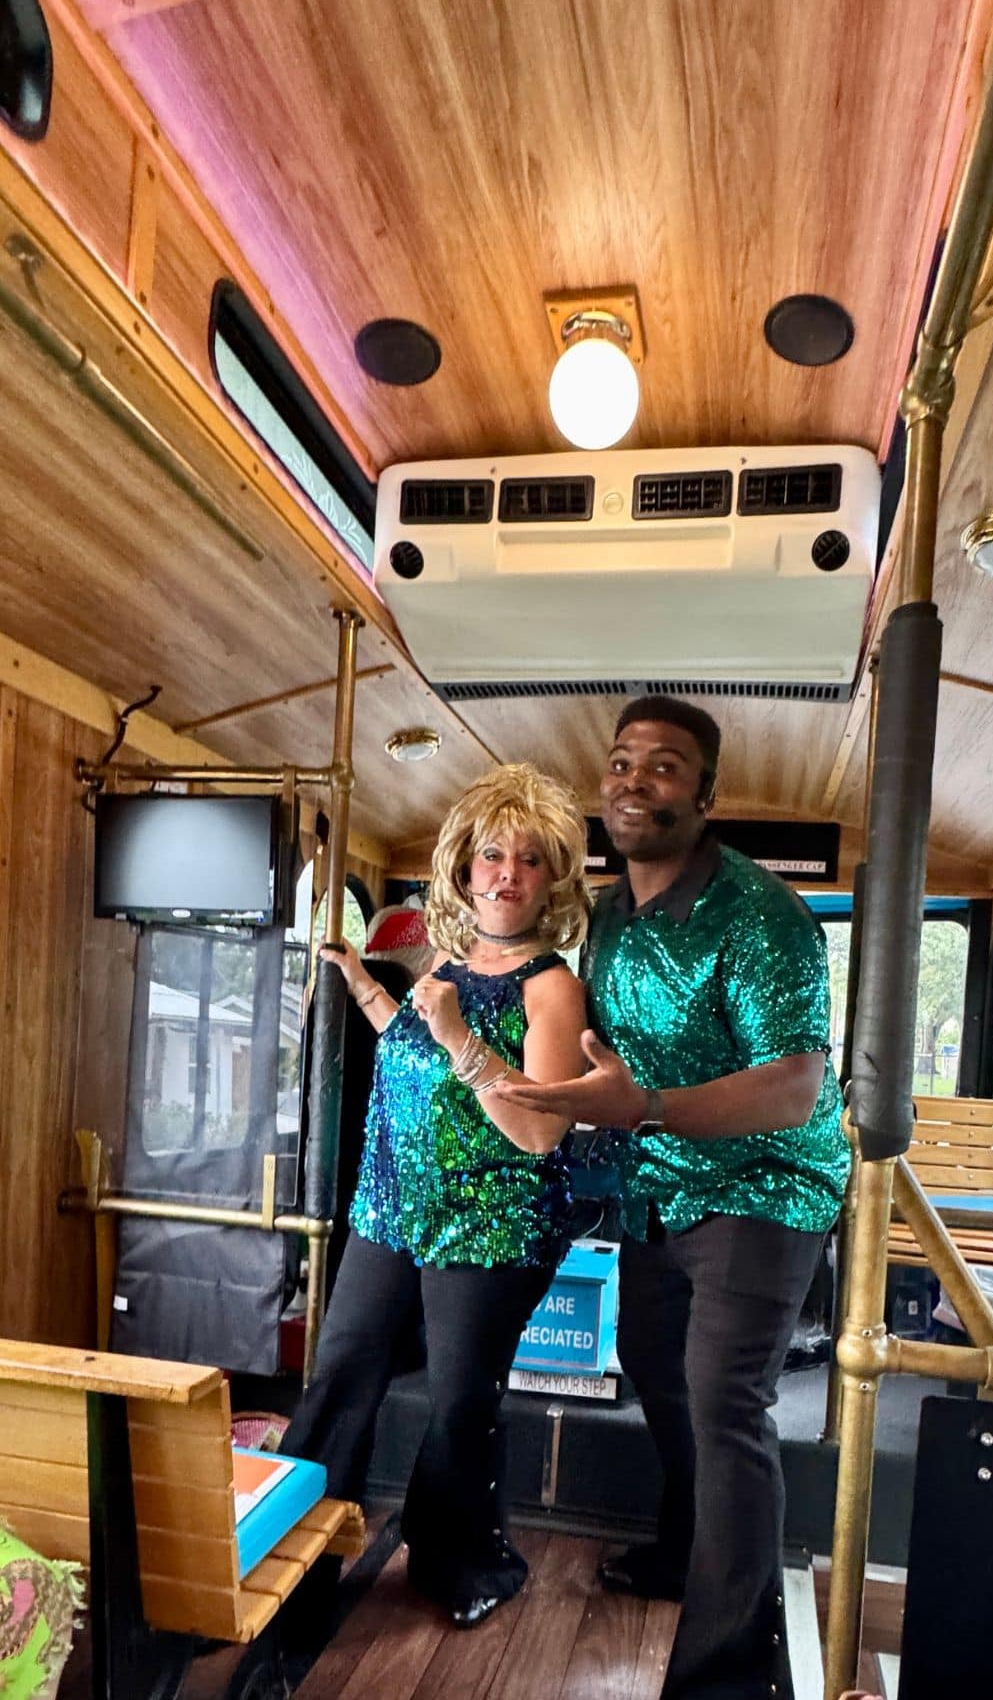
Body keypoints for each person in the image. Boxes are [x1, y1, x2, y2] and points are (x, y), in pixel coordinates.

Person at [496, 697, 849, 1698]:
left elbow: (795, 1086)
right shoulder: (606, 915)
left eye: (663, 765)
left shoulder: (761, 916)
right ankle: (685, 1559)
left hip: (766, 1185)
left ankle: (727, 1675)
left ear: (704, 793)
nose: (634, 779)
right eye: (620, 762)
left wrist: (643, 1103)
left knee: (726, 1403)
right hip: (660, 1183)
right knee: (662, 1376)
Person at [281, 763, 590, 1630]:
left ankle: (463, 1555)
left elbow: (539, 1130)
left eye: (530, 860)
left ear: (552, 879)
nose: (507, 874)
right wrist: (367, 987)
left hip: (491, 1223)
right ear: (462, 867)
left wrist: (457, 1032)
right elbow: (418, 1052)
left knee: (460, 1399)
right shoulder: (451, 956)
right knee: (343, 1373)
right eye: (492, 854)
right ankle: (288, 1555)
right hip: (390, 1202)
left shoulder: (549, 986)